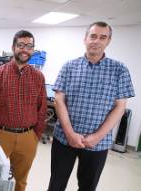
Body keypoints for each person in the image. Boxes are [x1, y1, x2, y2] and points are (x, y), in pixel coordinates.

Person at [48, 21, 135, 191]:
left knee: (88, 187)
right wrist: (70, 134)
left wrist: (97, 137)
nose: (96, 41)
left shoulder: (119, 70)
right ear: (85, 39)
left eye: (103, 37)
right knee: (56, 185)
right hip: (64, 139)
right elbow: (59, 100)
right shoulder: (69, 66)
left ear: (108, 41)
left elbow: (120, 107)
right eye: (93, 36)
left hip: (98, 144)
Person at [0, 30, 47, 191]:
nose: (25, 49)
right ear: (13, 47)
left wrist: (35, 135)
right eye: (21, 45)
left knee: (21, 181)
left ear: (33, 49)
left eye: (29, 46)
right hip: (0, 135)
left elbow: (42, 107)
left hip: (27, 137)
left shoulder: (38, 77)